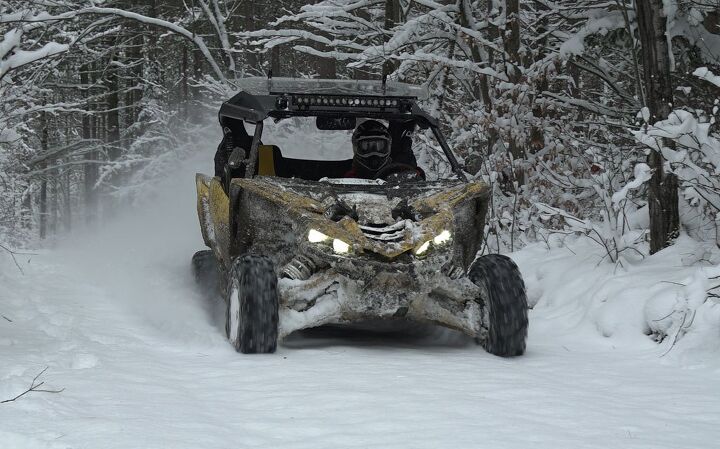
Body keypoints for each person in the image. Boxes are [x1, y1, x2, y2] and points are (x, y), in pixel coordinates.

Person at [346, 119, 424, 180]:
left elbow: (418, 179)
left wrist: (414, 175)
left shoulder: (400, 170)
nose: (374, 153)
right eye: (367, 146)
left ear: (388, 146)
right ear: (356, 148)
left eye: (380, 146)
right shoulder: (348, 178)